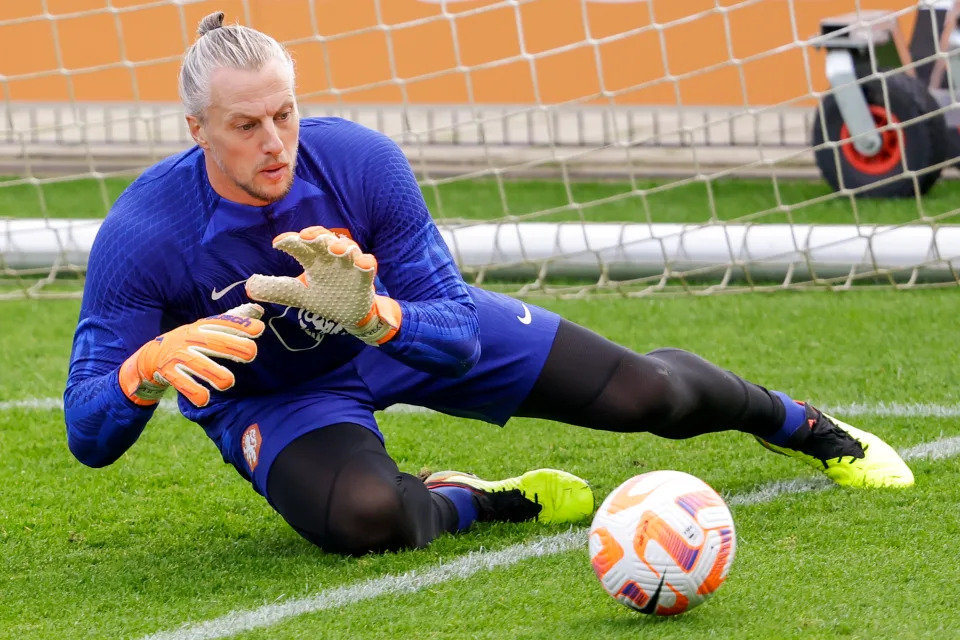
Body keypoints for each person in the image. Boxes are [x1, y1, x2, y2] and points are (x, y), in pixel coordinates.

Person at [64, 12, 913, 557]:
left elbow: (457, 335)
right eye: (245, 126)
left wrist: (377, 314)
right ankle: (470, 502)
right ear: (195, 130)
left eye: (284, 113)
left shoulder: (361, 163)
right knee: (369, 520)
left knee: (646, 394)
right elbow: (86, 432)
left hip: (393, 332)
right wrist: (146, 369)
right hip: (281, 396)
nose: (275, 141)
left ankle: (799, 424)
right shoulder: (144, 234)